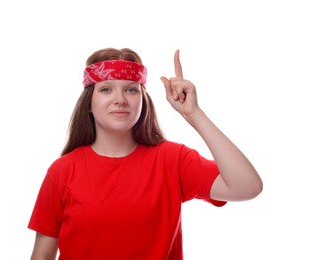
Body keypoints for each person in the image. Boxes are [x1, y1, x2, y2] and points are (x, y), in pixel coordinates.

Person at [28, 47, 263, 260]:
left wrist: (193, 114)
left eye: (131, 90)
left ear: (143, 100)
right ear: (89, 102)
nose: (120, 100)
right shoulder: (62, 170)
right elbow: (42, 255)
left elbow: (247, 186)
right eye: (106, 89)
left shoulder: (172, 160)